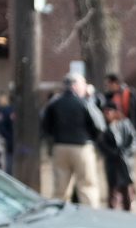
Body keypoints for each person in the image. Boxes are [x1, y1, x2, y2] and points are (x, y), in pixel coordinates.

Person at [40, 72, 106, 207]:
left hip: (60, 147)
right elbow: (100, 125)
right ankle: (91, 217)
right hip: (82, 147)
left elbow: (45, 125)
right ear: (76, 86)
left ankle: (62, 216)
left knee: (60, 189)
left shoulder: (54, 103)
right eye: (83, 84)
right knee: (87, 186)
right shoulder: (84, 102)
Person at [97, 101, 136, 210]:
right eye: (105, 113)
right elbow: (101, 144)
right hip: (112, 162)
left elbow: (133, 140)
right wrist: (113, 152)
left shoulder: (125, 124)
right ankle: (112, 212)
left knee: (126, 189)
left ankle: (128, 211)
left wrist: (126, 152)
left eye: (109, 112)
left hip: (125, 162)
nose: (107, 115)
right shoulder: (103, 128)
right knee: (113, 190)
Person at [104, 72, 136, 140]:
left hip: (129, 131)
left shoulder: (131, 96)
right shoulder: (109, 97)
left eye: (108, 84)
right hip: (116, 132)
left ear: (115, 83)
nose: (107, 87)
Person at [0, 94, 14, 174]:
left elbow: (0, 126)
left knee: (8, 160)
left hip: (6, 139)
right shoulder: (6, 110)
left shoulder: (4, 111)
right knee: (9, 160)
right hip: (8, 140)